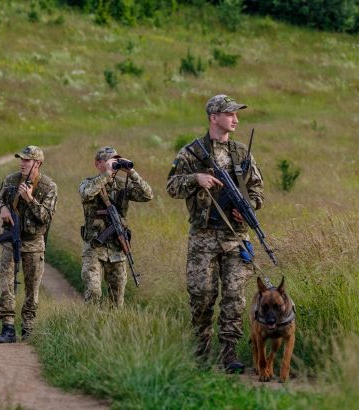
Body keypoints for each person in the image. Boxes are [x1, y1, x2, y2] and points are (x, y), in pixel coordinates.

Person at [166, 94, 264, 373]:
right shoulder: (191, 153)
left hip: (236, 236)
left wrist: (250, 207)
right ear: (213, 117)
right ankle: (201, 350)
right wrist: (194, 179)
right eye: (230, 113)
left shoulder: (242, 152)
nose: (236, 118)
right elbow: (171, 187)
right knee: (202, 295)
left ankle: (230, 353)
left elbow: (257, 190)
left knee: (235, 295)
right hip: (204, 236)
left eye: (236, 113)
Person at [0, 146, 57, 343]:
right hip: (10, 241)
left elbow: (46, 217)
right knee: (6, 284)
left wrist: (30, 199)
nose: (22, 163)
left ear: (37, 163)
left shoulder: (48, 186)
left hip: (33, 243)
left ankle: (28, 327)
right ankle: (8, 327)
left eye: (27, 160)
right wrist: (3, 208)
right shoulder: (11, 180)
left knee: (32, 287)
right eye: (21, 159)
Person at [78, 146, 153, 307]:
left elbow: (148, 195)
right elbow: (86, 193)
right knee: (94, 292)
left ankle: (111, 330)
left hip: (117, 249)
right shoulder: (89, 183)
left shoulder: (122, 185)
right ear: (98, 163)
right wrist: (106, 174)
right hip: (94, 248)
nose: (114, 164)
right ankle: (88, 327)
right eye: (109, 161)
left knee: (117, 299)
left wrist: (132, 173)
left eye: (116, 160)